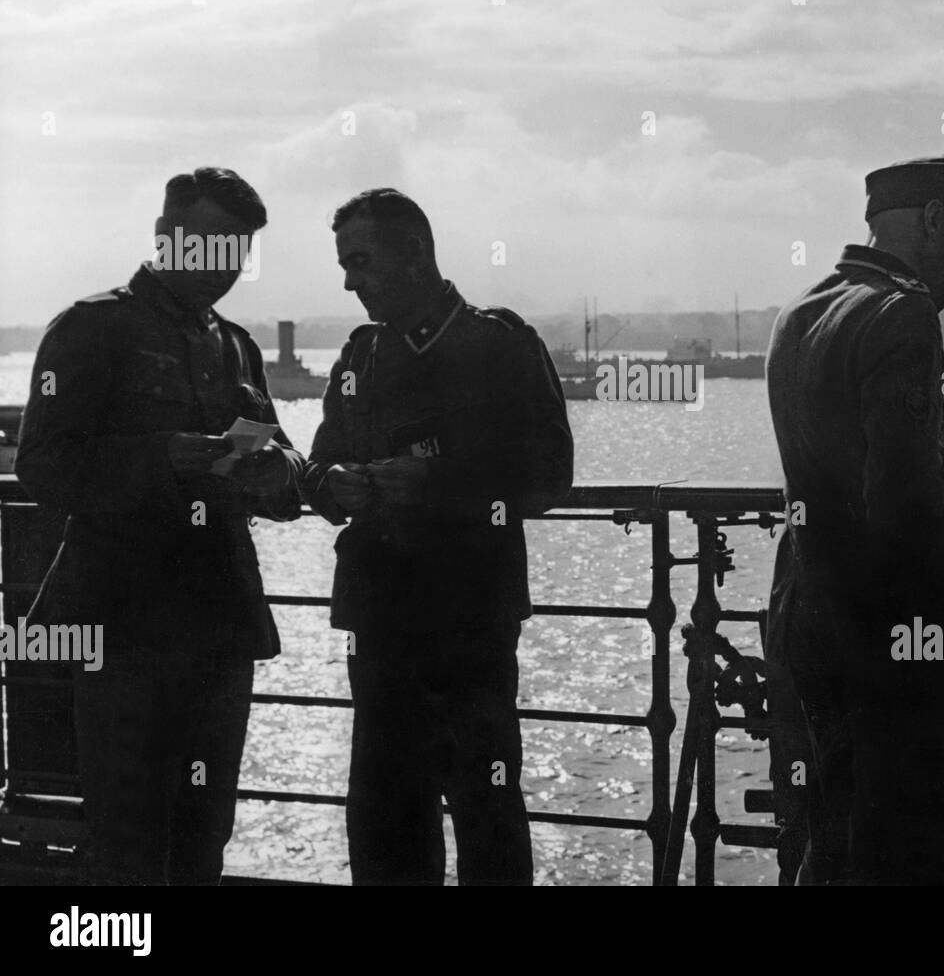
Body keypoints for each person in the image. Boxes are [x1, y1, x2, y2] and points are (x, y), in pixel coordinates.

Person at [16, 167, 302, 885]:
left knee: (204, 839)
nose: (224, 267)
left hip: (217, 630)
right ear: (166, 237)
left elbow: (281, 451)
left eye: (237, 251)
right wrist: (163, 459)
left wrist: (279, 475)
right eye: (210, 246)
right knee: (130, 844)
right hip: (124, 634)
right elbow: (43, 466)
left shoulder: (235, 344)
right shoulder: (91, 329)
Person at [304, 188, 573, 886]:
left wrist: (434, 482)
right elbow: (321, 460)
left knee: (486, 815)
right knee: (383, 821)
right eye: (345, 263)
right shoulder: (361, 355)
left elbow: (549, 474)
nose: (349, 280)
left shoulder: (499, 344)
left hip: (468, 626)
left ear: (414, 254)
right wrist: (334, 484)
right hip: (379, 626)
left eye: (360, 261)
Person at [765, 151, 944, 884]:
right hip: (884, 625)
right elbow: (905, 501)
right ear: (934, 220)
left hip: (805, 605)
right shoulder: (901, 313)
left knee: (833, 821)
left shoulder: (802, 309)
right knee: (903, 835)